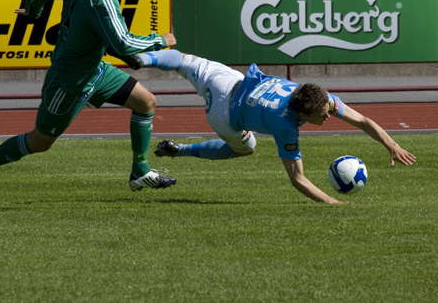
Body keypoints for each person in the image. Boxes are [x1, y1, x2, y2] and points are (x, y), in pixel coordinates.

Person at [0, 0, 177, 201]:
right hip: (69, 82)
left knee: (145, 102)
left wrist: (32, 8)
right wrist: (160, 40)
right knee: (40, 142)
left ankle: (140, 171)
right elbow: (123, 42)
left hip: (95, 71)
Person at [132, 49, 415, 204]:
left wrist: (392, 145)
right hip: (225, 114)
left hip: (229, 81)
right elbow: (298, 180)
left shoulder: (319, 99)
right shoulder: (285, 124)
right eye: (321, 114)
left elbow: (363, 121)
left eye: (327, 109)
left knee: (182, 59)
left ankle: (142, 59)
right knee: (247, 148)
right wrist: (333, 203)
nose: (327, 116)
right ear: (302, 112)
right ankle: (180, 150)